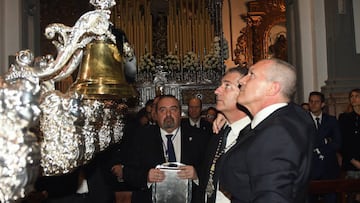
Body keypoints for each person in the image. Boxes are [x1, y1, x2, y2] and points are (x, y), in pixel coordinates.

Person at [216, 58, 315, 202]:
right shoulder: (292, 116)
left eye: (251, 75)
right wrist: (228, 114)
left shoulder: (276, 133)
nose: (242, 81)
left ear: (272, 88)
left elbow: (272, 197)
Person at [118, 95, 207, 203]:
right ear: (156, 114)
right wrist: (146, 176)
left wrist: (196, 175)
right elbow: (128, 172)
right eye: (163, 110)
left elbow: (211, 171)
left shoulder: (200, 137)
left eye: (173, 109)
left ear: (180, 113)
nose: (168, 115)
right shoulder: (141, 137)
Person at [197, 66, 251, 203]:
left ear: (245, 91)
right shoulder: (219, 130)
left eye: (227, 85)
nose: (216, 91)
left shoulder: (256, 136)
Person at [308, 91, 342, 203]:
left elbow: (338, 143)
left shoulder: (331, 120)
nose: (313, 104)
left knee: (331, 199)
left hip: (329, 168)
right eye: (311, 101)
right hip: (310, 169)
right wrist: (325, 141)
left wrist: (318, 146)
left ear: (323, 104)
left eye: (316, 102)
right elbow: (302, 143)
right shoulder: (303, 120)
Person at [338, 88, 360, 202]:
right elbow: (342, 143)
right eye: (352, 96)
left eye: (357, 96)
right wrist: (353, 161)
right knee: (351, 197)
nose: (354, 98)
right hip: (351, 163)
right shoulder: (344, 118)